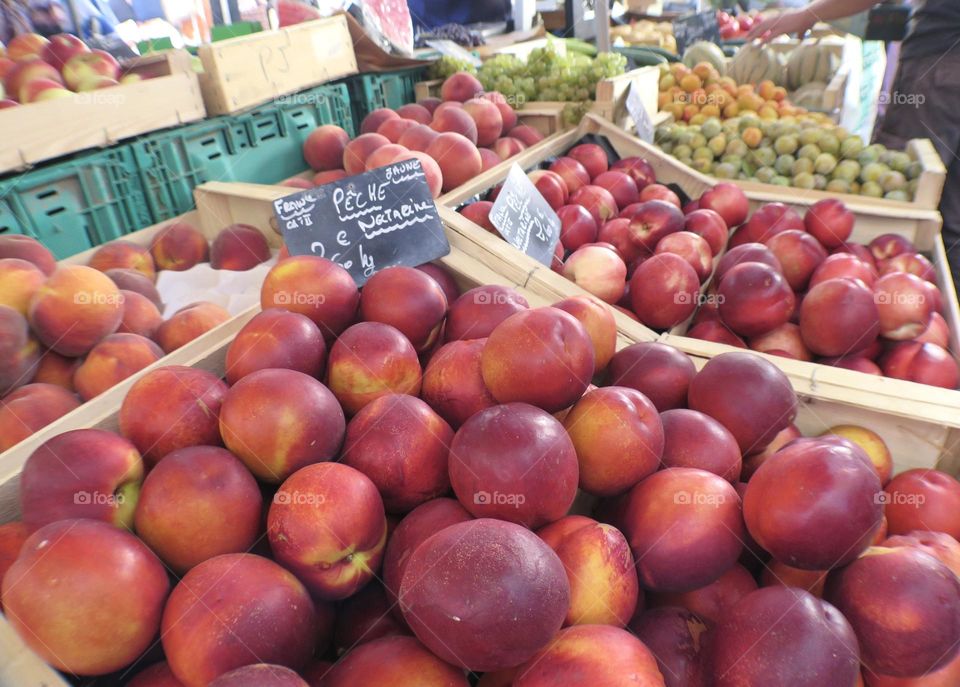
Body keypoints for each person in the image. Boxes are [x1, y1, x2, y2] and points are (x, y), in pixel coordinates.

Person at [748, 0, 960, 284]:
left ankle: (907, 291)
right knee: (951, 214)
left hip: (940, 67)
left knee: (903, 203)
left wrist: (809, 13)